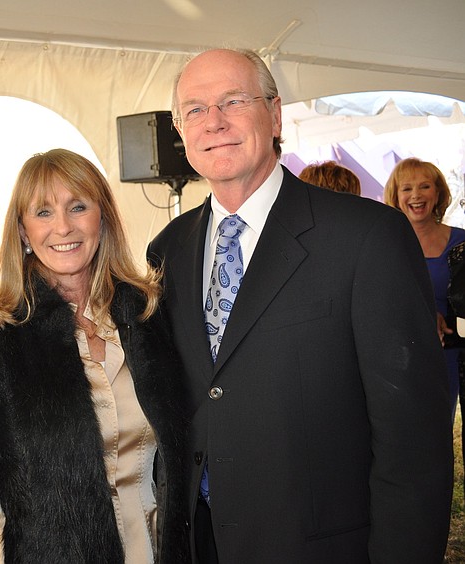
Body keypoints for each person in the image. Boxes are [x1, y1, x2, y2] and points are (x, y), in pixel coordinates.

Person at [147, 48, 452, 563]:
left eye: (233, 101)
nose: (213, 122)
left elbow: (414, 445)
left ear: (275, 112)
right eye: (194, 110)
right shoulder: (168, 250)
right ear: (179, 129)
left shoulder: (366, 238)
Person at [0, 148, 188, 563]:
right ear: (23, 232)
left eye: (78, 206)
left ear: (103, 218)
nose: (63, 227)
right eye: (43, 212)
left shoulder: (148, 317)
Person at [384, 156, 465, 420]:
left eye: (425, 186)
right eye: (407, 188)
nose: (416, 195)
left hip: (454, 357)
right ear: (395, 197)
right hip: (404, 358)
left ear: (438, 191)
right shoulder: (383, 245)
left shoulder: (461, 242)